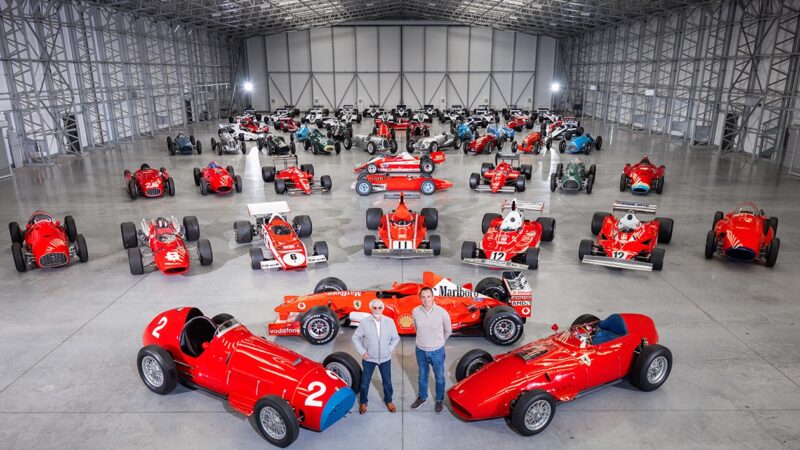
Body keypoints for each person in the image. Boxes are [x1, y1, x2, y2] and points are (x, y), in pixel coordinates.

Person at [351, 298, 400, 414]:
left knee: (387, 382)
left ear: (383, 308)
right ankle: (363, 402)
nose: (377, 310)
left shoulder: (389, 322)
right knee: (365, 383)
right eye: (374, 307)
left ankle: (389, 401)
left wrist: (389, 349)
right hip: (369, 359)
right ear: (371, 309)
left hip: (385, 359)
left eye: (379, 307)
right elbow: (355, 337)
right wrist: (362, 351)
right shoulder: (365, 322)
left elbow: (396, 338)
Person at [410, 286, 452, 413]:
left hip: (437, 351)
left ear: (433, 297)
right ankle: (422, 398)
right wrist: (424, 341)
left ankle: (439, 399)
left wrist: (438, 343)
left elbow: (448, 331)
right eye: (423, 297)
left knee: (440, 377)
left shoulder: (442, 312)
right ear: (420, 298)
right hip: (421, 350)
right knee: (422, 376)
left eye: (429, 296)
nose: (426, 299)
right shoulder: (415, 311)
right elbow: (417, 328)